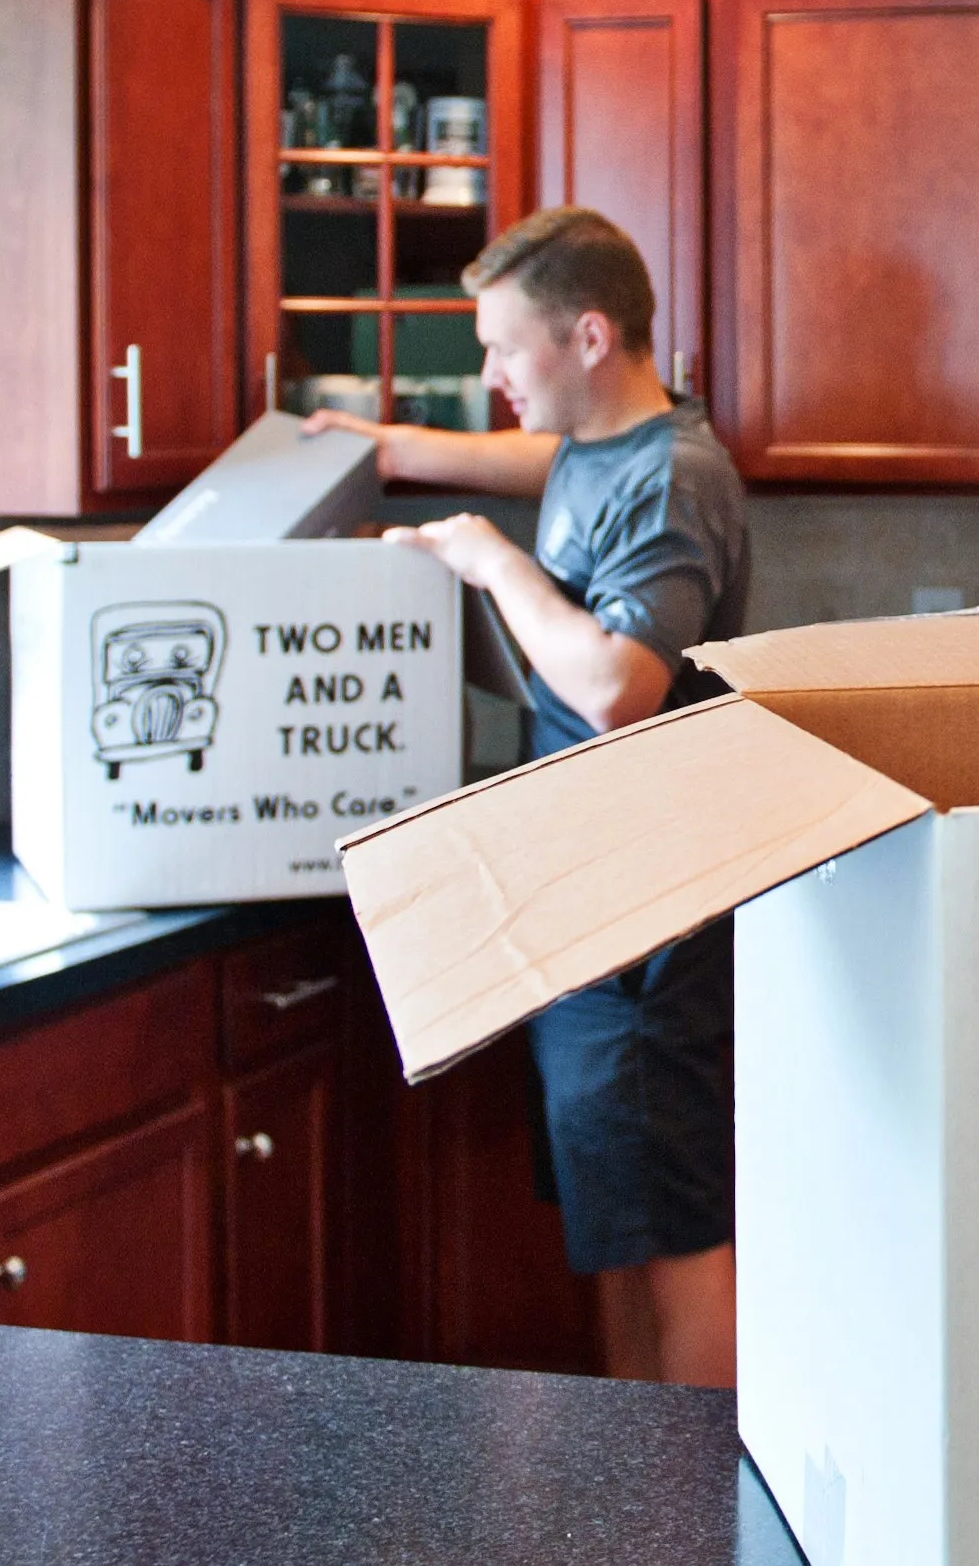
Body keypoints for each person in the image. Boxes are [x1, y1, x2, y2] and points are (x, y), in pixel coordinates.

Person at [308, 206, 750, 1388]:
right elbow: (528, 462)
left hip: (654, 919)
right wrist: (379, 445)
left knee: (678, 1238)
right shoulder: (597, 451)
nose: (490, 376)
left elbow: (616, 686)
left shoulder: (673, 482)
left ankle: (706, 1514)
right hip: (586, 908)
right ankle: (638, 1498)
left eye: (505, 350)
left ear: (590, 337)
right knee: (618, 1222)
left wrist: (489, 559)